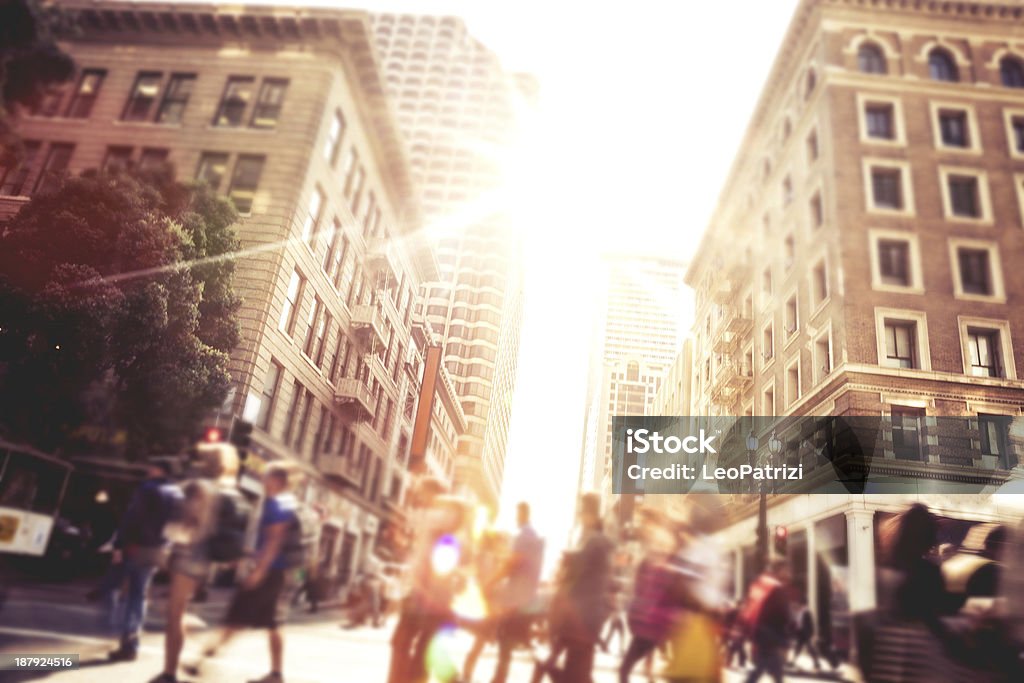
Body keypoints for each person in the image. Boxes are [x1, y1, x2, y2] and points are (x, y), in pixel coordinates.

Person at [151, 442, 240, 683]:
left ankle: (169, 673)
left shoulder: (199, 488)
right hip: (204, 559)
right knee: (177, 610)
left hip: (189, 554)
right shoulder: (223, 489)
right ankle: (191, 648)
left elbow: (190, 522)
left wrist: (169, 548)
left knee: (174, 614)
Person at [201, 465, 298, 683]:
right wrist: (248, 556)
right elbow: (272, 541)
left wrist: (259, 571)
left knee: (236, 616)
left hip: (269, 572)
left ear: (276, 480)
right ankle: (276, 674)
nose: (263, 480)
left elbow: (274, 539)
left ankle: (201, 661)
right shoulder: (288, 502)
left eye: (267, 477)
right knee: (274, 624)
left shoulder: (275, 504)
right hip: (278, 571)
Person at [387, 478, 470, 683]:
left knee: (407, 645)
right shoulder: (443, 521)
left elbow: (432, 563)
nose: (418, 497)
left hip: (426, 596)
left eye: (421, 492)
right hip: (428, 595)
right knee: (420, 650)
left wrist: (420, 589)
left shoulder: (439, 520)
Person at [105, 460, 182, 662]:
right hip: (159, 549)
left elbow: (132, 518)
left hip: (137, 547)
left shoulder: (147, 489)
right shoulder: (177, 494)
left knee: (125, 593)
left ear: (160, 471)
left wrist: (118, 544)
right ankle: (132, 641)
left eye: (152, 467)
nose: (148, 470)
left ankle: (127, 641)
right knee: (139, 594)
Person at [534, 492, 612, 683]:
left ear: (590, 515)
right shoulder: (593, 540)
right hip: (581, 621)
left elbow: (576, 574)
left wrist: (568, 561)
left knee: (571, 673)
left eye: (582, 512)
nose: (580, 516)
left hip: (581, 621)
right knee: (568, 670)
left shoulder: (595, 541)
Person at [619, 508, 683, 683]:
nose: (642, 526)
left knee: (624, 670)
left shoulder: (661, 550)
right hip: (652, 624)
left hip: (652, 624)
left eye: (644, 522)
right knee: (632, 670)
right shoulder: (655, 552)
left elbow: (657, 588)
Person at [488, 502, 545, 683]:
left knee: (506, 642)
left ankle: (499, 679)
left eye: (518, 514)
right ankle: (537, 672)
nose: (516, 518)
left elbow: (512, 563)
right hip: (527, 598)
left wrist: (491, 581)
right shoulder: (534, 536)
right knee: (518, 641)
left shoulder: (523, 536)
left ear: (523, 514)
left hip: (516, 600)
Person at [741, 560, 791, 683]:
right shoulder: (777, 587)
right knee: (764, 668)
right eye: (786, 570)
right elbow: (783, 614)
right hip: (771, 636)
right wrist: (785, 638)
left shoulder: (760, 584)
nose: (788, 573)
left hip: (759, 632)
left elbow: (750, 606)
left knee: (771, 669)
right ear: (779, 570)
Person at [789, 598, 823, 671]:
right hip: (801, 633)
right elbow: (799, 622)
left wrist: (812, 633)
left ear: (802, 604)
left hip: (806, 634)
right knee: (798, 648)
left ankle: (817, 663)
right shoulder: (800, 612)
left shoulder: (807, 612)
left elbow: (811, 624)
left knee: (810, 649)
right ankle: (793, 661)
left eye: (799, 604)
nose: (797, 605)